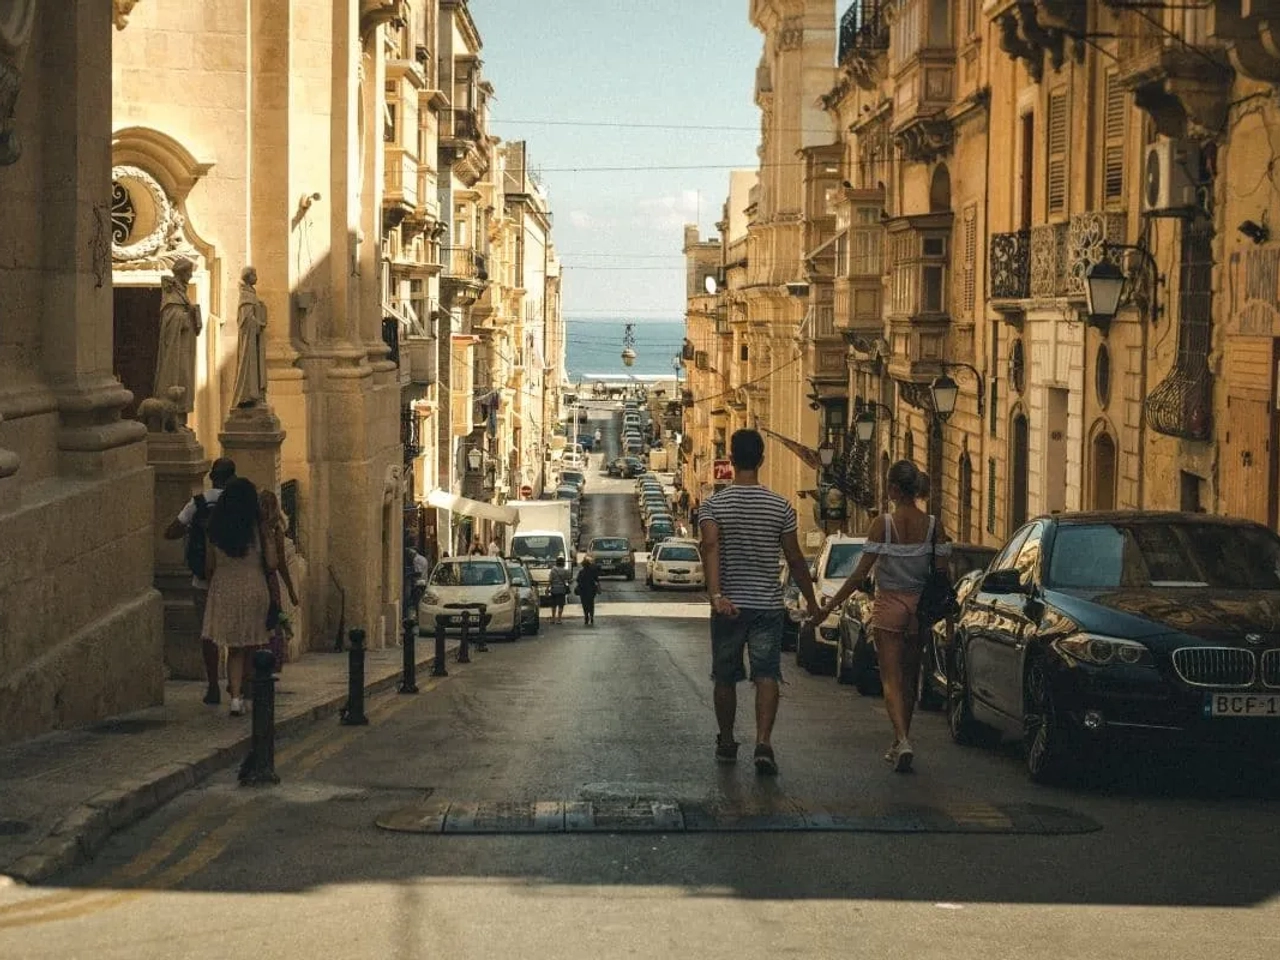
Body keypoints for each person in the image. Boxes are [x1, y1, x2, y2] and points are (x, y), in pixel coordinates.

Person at [816, 460, 950, 773]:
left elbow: (858, 574)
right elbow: (943, 574)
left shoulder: (883, 525)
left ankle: (901, 739)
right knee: (910, 677)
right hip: (919, 608)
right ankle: (901, 739)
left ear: (893, 489)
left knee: (890, 679)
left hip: (889, 605)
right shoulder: (934, 526)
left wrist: (830, 605)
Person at [700, 429, 818, 775]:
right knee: (767, 674)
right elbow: (795, 558)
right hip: (767, 605)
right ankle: (764, 742)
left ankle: (726, 739)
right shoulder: (781, 506)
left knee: (725, 676)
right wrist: (812, 601)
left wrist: (716, 595)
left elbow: (710, 547)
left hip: (729, 606)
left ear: (731, 460)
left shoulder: (714, 506)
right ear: (762, 460)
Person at [165, 457, 237, 704]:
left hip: (203, 581)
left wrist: (192, 530)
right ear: (232, 478)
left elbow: (170, 531)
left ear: (212, 477)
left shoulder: (197, 503)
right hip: (231, 579)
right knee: (236, 631)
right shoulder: (237, 504)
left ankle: (213, 684)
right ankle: (237, 683)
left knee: (208, 634)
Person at [202, 477, 276, 717]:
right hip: (253, 587)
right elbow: (272, 563)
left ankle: (235, 697)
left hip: (224, 589)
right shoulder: (257, 529)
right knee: (252, 644)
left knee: (234, 648)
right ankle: (248, 691)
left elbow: (209, 566)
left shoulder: (214, 530)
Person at [259, 489, 299, 673]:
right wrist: (290, 590)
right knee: (273, 618)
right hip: (269, 579)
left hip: (257, 577)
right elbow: (280, 562)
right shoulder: (276, 530)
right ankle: (272, 659)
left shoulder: (254, 528)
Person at [576, 557, 601, 626]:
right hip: (591, 590)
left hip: (583, 590)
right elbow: (597, 580)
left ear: (583, 565)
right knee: (591, 603)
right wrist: (598, 588)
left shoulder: (581, 572)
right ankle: (591, 616)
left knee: (584, 604)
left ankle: (586, 616)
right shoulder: (592, 571)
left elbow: (578, 580)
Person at [547, 555, 571, 625]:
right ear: (563, 562)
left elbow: (550, 580)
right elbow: (568, 579)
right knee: (561, 605)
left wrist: (547, 588)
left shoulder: (553, 570)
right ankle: (559, 619)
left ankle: (553, 619)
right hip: (562, 589)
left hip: (554, 589)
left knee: (553, 605)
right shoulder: (565, 570)